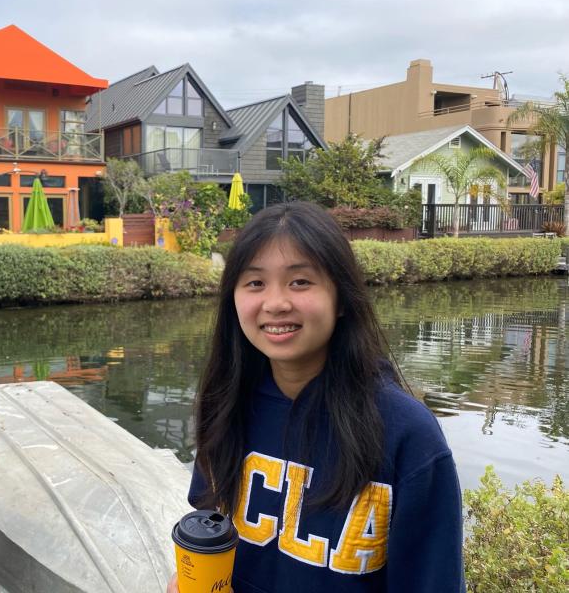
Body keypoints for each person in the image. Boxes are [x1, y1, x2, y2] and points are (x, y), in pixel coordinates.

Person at [167, 202, 463, 593]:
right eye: (255, 283)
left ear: (341, 298)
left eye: (300, 281)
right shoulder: (224, 405)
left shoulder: (408, 436)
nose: (275, 303)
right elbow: (209, 529)